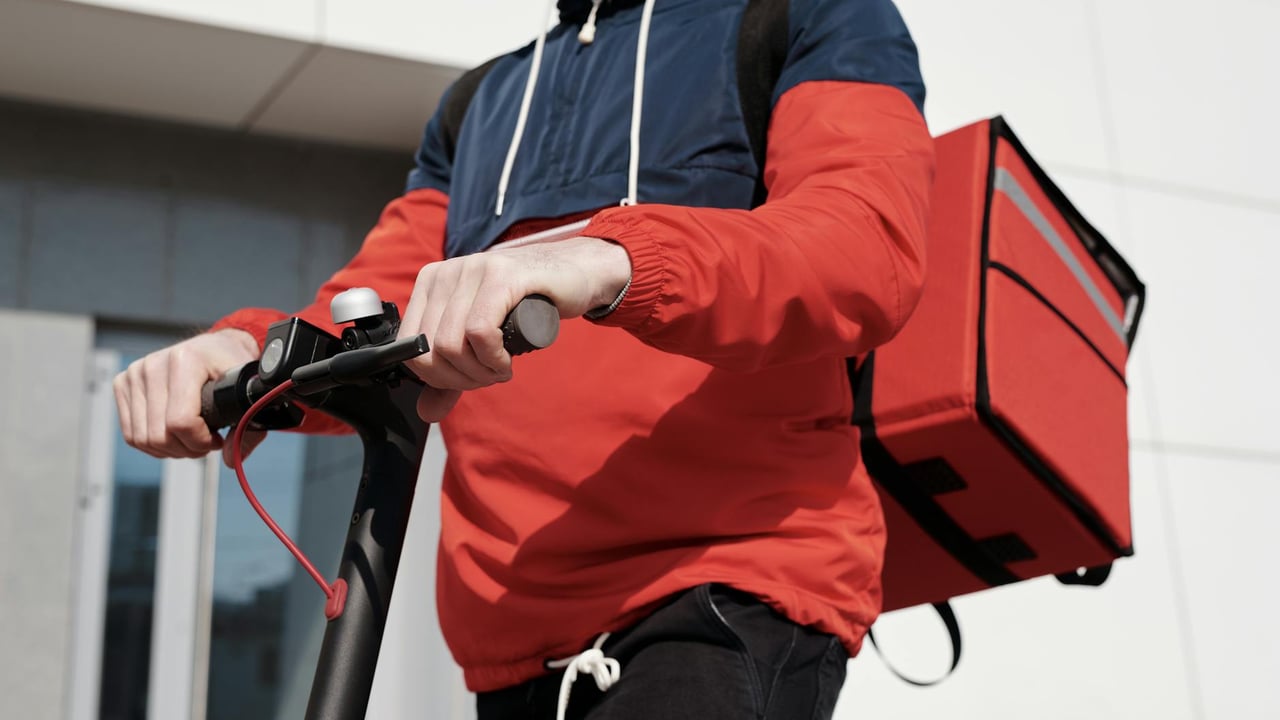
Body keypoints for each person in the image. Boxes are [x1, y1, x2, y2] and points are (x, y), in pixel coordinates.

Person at [114, 0, 934, 717]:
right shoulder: (478, 103)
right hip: (512, 631)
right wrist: (243, 347)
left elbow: (862, 250)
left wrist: (611, 258)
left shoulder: (804, 14)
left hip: (723, 588)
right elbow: (377, 323)